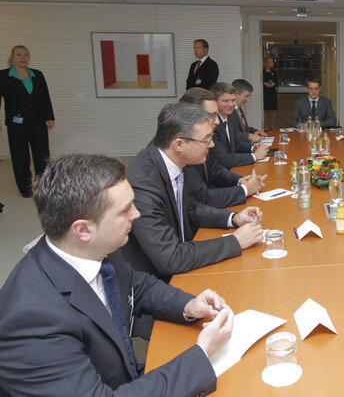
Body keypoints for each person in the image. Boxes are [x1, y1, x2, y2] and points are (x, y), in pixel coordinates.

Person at [0, 154, 234, 396]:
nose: (137, 214)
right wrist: (202, 353)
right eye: (125, 210)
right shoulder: (32, 320)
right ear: (83, 229)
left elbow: (138, 285)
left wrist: (188, 305)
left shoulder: (97, 249)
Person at [121, 102, 265, 282]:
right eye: (206, 140)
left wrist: (233, 218)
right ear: (179, 144)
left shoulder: (171, 161)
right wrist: (234, 242)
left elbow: (190, 208)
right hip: (156, 281)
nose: (211, 144)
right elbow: (169, 258)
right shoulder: (144, 184)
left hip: (183, 261)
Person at [180, 87, 266, 208]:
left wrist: (241, 180)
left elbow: (214, 170)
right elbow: (202, 198)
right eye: (212, 115)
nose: (217, 121)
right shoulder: (186, 147)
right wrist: (245, 190)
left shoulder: (201, 139)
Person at [0, 45, 55, 197]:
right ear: (12, 58)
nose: (22, 58)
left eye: (25, 55)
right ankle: (25, 189)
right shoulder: (3, 76)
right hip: (16, 124)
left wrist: (50, 117)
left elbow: (45, 97)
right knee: (20, 156)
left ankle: (43, 186)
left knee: (42, 155)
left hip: (38, 122)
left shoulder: (37, 74)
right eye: (18, 55)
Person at [209, 82, 267, 169]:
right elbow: (223, 159)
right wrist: (254, 156)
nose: (231, 105)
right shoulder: (212, 126)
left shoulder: (229, 118)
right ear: (214, 102)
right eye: (225, 101)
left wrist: (252, 148)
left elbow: (234, 145)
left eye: (233, 100)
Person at [232, 78, 267, 143]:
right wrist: (249, 136)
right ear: (235, 93)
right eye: (246, 96)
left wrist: (255, 131)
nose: (248, 100)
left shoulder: (238, 109)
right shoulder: (228, 112)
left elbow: (244, 128)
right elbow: (232, 135)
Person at [262, 56, 279, 131]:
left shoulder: (274, 72)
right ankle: (265, 126)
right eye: (270, 62)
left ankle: (272, 126)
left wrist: (273, 83)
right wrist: (265, 83)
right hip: (265, 92)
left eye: (272, 62)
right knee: (265, 109)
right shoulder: (263, 71)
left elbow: (276, 81)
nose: (271, 63)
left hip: (272, 92)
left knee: (273, 109)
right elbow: (262, 80)